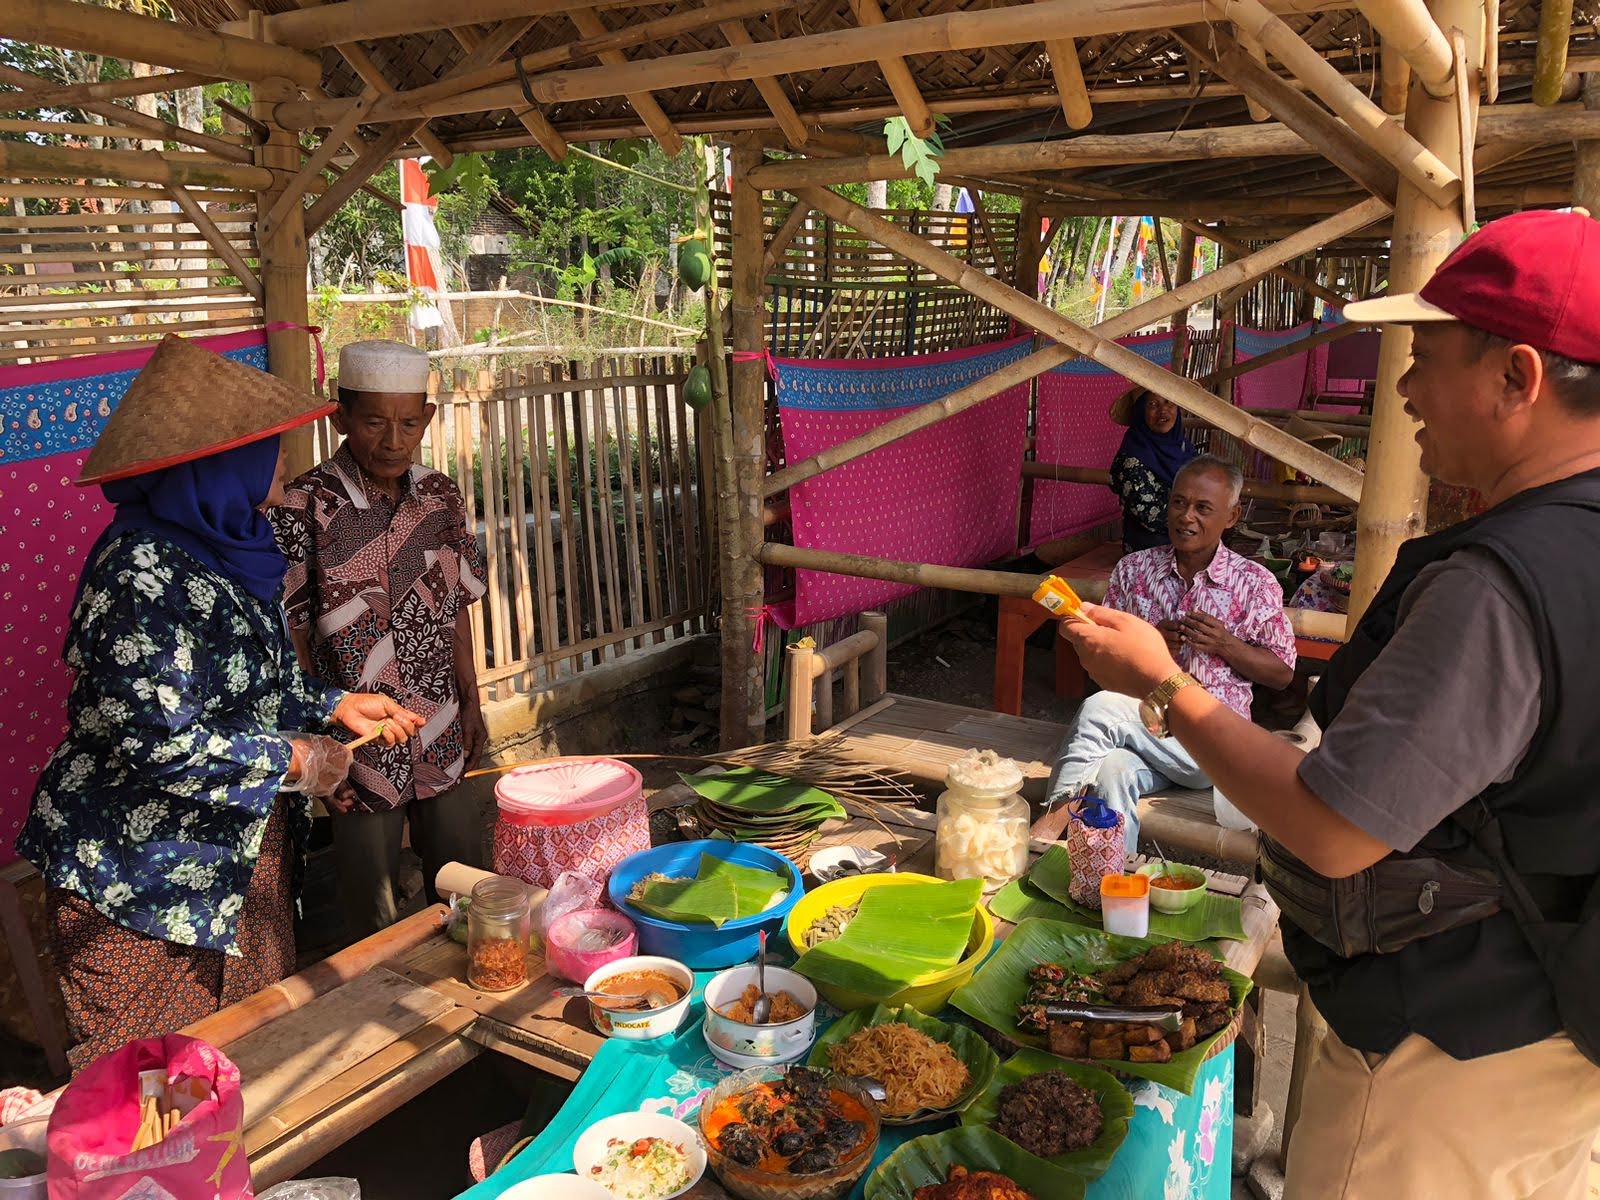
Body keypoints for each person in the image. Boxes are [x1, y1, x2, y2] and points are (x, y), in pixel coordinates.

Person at [1060, 209, 1600, 1199]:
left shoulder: (1499, 585)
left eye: (1425, 358)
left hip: (1441, 1067)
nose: (1403, 389)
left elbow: (1336, 827)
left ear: (1517, 377)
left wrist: (1163, 684)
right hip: (1550, 1027)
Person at [16, 335, 420, 1069]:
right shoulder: (138, 575)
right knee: (155, 1092)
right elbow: (156, 740)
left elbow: (247, 681)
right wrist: (294, 758)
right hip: (142, 887)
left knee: (250, 1062)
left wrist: (333, 705)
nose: (283, 466)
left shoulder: (231, 544)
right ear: (217, 462)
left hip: (236, 863)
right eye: (268, 449)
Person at [272, 340, 488, 942]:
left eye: (409, 421)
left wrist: (471, 704)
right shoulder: (303, 506)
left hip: (439, 723)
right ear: (340, 418)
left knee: (469, 886)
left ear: (428, 418)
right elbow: (292, 634)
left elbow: (457, 607)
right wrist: (314, 747)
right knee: (374, 915)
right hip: (355, 740)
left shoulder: (441, 498)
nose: (394, 439)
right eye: (374, 421)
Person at [1045, 454, 1295, 848]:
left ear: (1231, 517)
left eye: (1202, 508)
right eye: (1179, 503)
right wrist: (1147, 642)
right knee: (1112, 770)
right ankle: (1110, 883)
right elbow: (1097, 657)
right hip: (1142, 728)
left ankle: (1046, 831)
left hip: (1212, 744)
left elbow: (1282, 673)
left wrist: (1226, 644)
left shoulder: (1255, 584)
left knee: (1098, 709)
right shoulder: (1134, 570)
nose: (1186, 517)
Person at [1107, 385, 1199, 554]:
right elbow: (1151, 516)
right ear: (1140, 412)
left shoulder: (1185, 448)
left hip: (1190, 543)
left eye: (1169, 403)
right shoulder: (1132, 457)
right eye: (1153, 405)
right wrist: (1200, 521)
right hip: (1151, 553)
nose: (1163, 412)